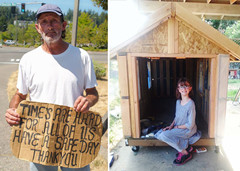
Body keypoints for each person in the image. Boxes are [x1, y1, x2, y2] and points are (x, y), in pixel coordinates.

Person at [5, 4, 99, 171]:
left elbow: (92, 93)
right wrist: (13, 110)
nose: (49, 26)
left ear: (63, 26)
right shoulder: (28, 60)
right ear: (37, 28)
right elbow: (20, 95)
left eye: (54, 21)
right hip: (38, 140)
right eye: (44, 22)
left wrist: (87, 101)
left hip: (74, 138)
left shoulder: (82, 56)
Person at [154, 78, 201, 166]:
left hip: (188, 130)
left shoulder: (191, 104)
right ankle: (186, 147)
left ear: (190, 88)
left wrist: (176, 127)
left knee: (164, 135)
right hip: (178, 127)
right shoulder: (178, 102)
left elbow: (190, 125)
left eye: (186, 86)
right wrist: (171, 126)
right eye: (181, 87)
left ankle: (184, 153)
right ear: (178, 90)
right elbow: (177, 117)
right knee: (160, 134)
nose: (184, 89)